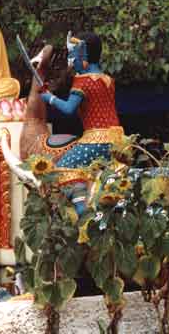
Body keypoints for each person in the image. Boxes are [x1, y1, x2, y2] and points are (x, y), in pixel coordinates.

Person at [39, 32, 123, 214]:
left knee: (62, 168)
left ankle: (82, 212)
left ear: (83, 57)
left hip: (96, 140)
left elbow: (69, 109)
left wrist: (49, 98)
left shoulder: (82, 81)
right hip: (117, 139)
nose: (71, 62)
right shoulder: (107, 80)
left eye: (72, 56)